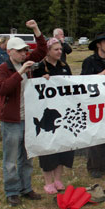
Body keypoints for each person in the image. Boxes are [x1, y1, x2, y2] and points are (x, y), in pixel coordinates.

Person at [0, 19, 47, 206]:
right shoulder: (3, 68)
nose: (24, 54)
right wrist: (20, 73)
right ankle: (11, 191)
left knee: (26, 157)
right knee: (10, 160)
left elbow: (43, 50)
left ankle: (26, 188)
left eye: (25, 50)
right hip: (11, 120)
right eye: (19, 51)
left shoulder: (28, 63)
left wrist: (35, 29)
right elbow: (2, 90)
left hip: (28, 119)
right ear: (10, 52)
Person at [32, 38, 74, 193]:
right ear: (48, 51)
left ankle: (58, 179)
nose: (59, 52)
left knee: (62, 146)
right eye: (56, 49)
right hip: (46, 111)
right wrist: (41, 81)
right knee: (48, 147)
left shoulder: (64, 66)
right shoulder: (40, 68)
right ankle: (48, 181)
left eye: (60, 49)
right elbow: (32, 88)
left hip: (61, 111)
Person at [81, 32, 105, 178]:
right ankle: (93, 166)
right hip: (93, 102)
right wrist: (99, 76)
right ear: (98, 45)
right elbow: (83, 82)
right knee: (95, 136)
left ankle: (104, 163)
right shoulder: (89, 61)